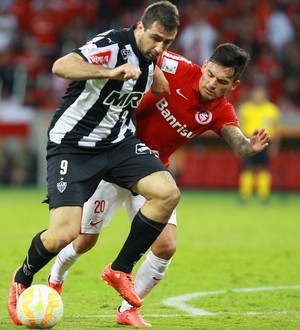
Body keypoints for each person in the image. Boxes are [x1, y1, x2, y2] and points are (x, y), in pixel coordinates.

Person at [47, 43, 270, 327]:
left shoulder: (220, 111)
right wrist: (154, 73)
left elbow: (237, 141)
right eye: (210, 74)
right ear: (204, 65)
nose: (212, 84)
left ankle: (128, 308)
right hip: (117, 158)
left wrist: (250, 147)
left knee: (166, 246)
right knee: (83, 241)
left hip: (153, 174)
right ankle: (55, 280)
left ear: (234, 84)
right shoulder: (177, 66)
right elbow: (146, 48)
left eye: (222, 81)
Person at [7, 1, 180, 326]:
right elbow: (62, 65)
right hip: (72, 146)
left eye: (167, 43)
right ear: (140, 27)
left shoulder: (152, 56)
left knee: (167, 193)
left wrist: (155, 72)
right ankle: (24, 275)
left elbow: (152, 63)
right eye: (156, 38)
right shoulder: (112, 45)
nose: (160, 48)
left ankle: (120, 268)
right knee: (64, 234)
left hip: (119, 144)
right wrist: (109, 72)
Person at [238, 85, 281, 203]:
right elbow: (239, 127)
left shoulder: (272, 109)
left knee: (263, 168)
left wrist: (275, 146)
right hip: (248, 140)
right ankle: (244, 196)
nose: (258, 96)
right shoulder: (245, 108)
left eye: (260, 93)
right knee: (247, 168)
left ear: (266, 95)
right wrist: (239, 144)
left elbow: (277, 129)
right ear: (252, 95)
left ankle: (263, 195)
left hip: (266, 141)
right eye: (256, 93)